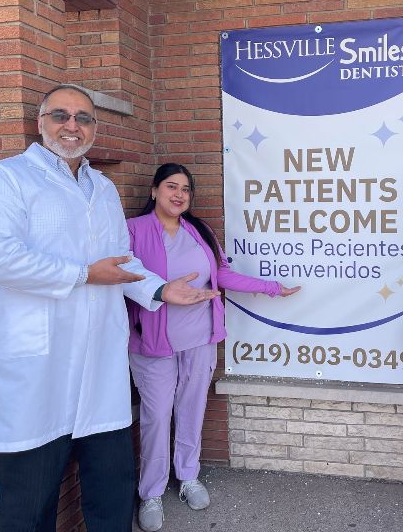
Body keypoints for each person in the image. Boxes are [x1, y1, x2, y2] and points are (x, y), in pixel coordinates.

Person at [0, 85, 219, 532]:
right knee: (28, 502)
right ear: (40, 121)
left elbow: (123, 261)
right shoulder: (5, 177)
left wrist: (161, 292)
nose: (72, 125)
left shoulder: (101, 187)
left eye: (83, 118)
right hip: (40, 364)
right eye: (61, 115)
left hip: (100, 363)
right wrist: (83, 274)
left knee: (111, 491)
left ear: (94, 129)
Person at [127, 163, 300, 532]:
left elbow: (220, 274)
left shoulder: (200, 230)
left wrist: (271, 287)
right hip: (152, 341)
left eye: (186, 189)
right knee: (157, 417)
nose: (179, 195)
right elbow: (126, 279)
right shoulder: (133, 231)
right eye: (171, 187)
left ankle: (188, 475)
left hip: (200, 338)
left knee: (192, 407)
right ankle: (152, 492)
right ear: (154, 191)